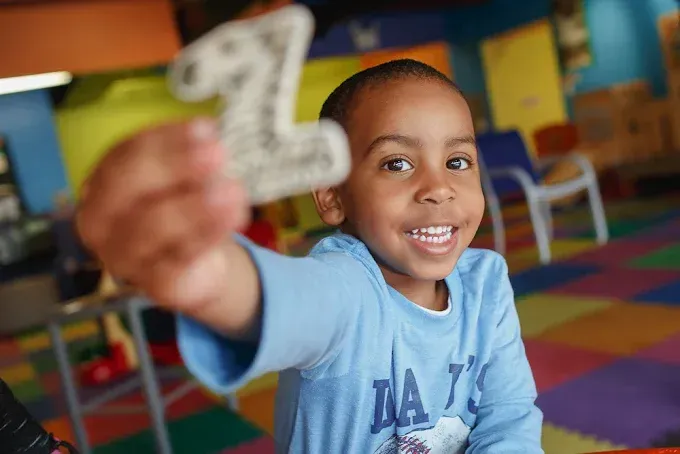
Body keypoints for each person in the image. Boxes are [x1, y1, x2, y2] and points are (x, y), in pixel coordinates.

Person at [76, 59, 543, 453]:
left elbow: (509, 416)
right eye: (396, 163)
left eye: (457, 162)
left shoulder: (486, 282)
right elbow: (285, 298)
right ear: (333, 198)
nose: (439, 188)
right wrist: (208, 270)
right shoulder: (345, 285)